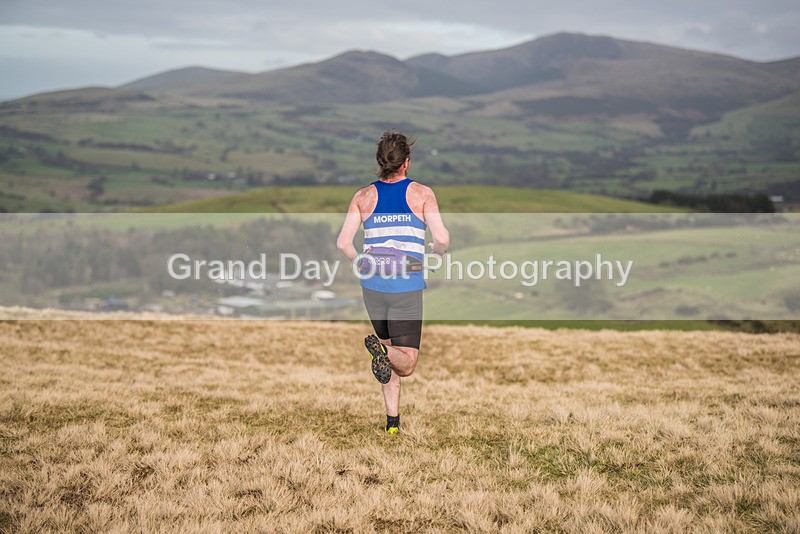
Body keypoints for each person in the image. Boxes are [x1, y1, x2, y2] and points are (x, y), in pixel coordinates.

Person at [337, 129, 449, 434]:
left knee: (389, 356)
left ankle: (392, 423)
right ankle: (382, 352)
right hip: (405, 285)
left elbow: (344, 244)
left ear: (380, 161)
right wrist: (434, 254)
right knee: (407, 362)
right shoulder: (422, 194)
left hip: (372, 286)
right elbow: (441, 238)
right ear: (406, 163)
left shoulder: (362, 196)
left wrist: (361, 263)